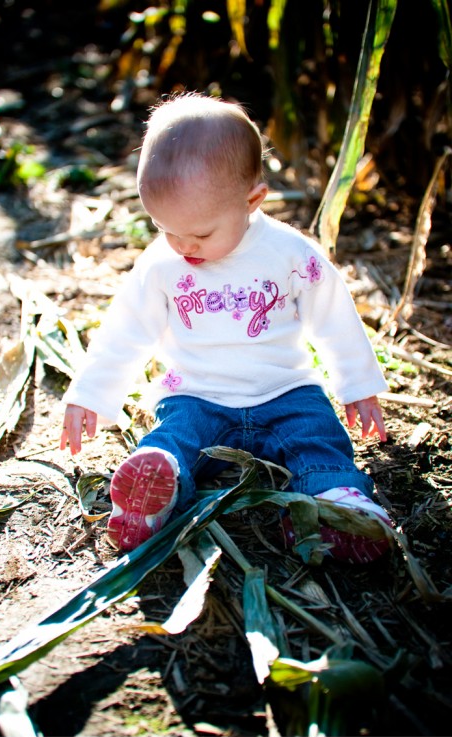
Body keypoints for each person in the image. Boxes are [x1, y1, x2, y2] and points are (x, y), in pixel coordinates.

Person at [60, 92, 393, 563]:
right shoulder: (160, 264)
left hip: (286, 391)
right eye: (165, 228)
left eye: (200, 234)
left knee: (318, 438)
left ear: (252, 199)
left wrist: (358, 384)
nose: (182, 246)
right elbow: (125, 331)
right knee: (175, 436)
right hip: (196, 394)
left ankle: (331, 506)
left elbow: (334, 317)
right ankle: (155, 493)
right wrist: (91, 393)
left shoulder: (289, 255)